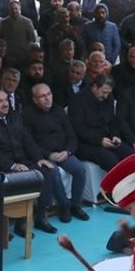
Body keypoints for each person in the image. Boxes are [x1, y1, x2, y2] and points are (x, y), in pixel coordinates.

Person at [0, 88, 59, 234]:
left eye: (6, 100)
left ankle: (41, 217)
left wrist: (39, 159)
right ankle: (21, 223)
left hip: (22, 160)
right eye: (0, 101)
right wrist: (13, 165)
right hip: (0, 165)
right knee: (21, 178)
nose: (5, 104)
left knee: (46, 172)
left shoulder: (14, 117)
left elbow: (28, 140)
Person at [24, 83, 90, 222]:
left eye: (49, 94)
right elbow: (29, 142)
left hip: (63, 152)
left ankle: (75, 205)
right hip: (43, 155)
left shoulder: (59, 110)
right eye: (42, 96)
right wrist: (49, 155)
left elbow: (72, 135)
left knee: (80, 170)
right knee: (53, 173)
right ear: (35, 100)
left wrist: (68, 151)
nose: (47, 98)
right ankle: (64, 205)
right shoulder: (27, 115)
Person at [69, 77, 134, 170]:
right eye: (104, 92)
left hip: (107, 139)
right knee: (112, 161)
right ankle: (120, 185)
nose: (106, 96)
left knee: (132, 157)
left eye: (108, 93)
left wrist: (115, 135)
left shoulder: (108, 98)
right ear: (95, 87)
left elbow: (112, 121)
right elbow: (78, 129)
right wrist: (99, 140)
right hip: (86, 144)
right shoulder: (78, 100)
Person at [0, 0, 37, 68]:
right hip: (9, 55)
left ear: (20, 9)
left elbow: (32, 39)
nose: (14, 11)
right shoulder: (4, 22)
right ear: (9, 10)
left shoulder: (27, 22)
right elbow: (1, 38)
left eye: (16, 9)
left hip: (23, 54)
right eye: (12, 9)